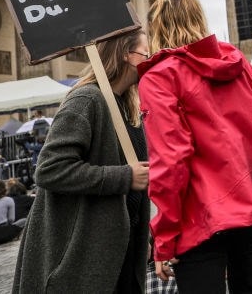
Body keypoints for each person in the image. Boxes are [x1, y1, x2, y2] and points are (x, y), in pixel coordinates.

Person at [139, 0, 252, 293]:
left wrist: (164, 237)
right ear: (199, 16)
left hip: (201, 216)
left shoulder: (159, 77)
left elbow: (171, 162)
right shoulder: (234, 59)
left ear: (154, 26)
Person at [13, 29, 152, 293]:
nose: (150, 60)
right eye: (146, 53)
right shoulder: (86, 100)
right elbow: (50, 169)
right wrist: (124, 177)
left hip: (119, 251)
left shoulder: (125, 107)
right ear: (126, 55)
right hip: (83, 260)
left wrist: (142, 235)